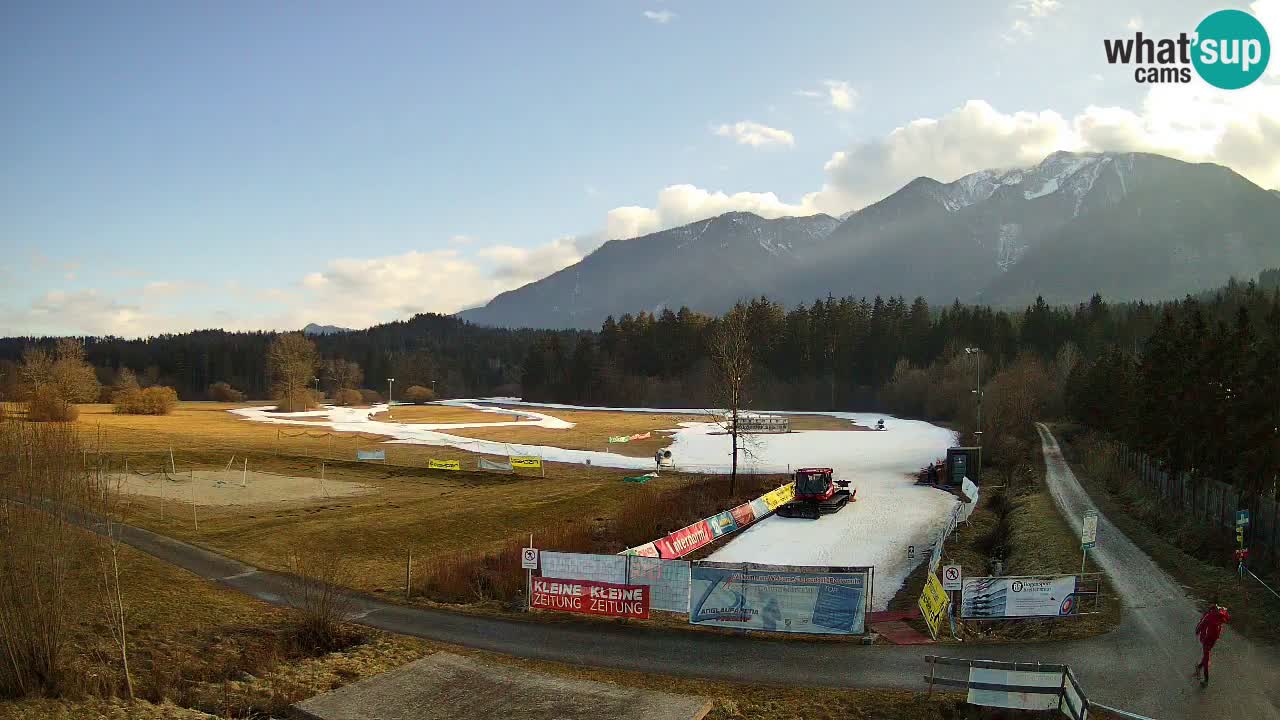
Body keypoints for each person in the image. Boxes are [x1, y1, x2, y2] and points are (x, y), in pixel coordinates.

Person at [1193, 603, 1230, 686]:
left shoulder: (1209, 615)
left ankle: (1206, 679)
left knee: (1206, 657)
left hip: (1206, 638)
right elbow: (1227, 618)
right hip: (1214, 638)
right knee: (1207, 653)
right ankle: (1200, 666)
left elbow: (1201, 624)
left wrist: (1197, 631)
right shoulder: (1221, 615)